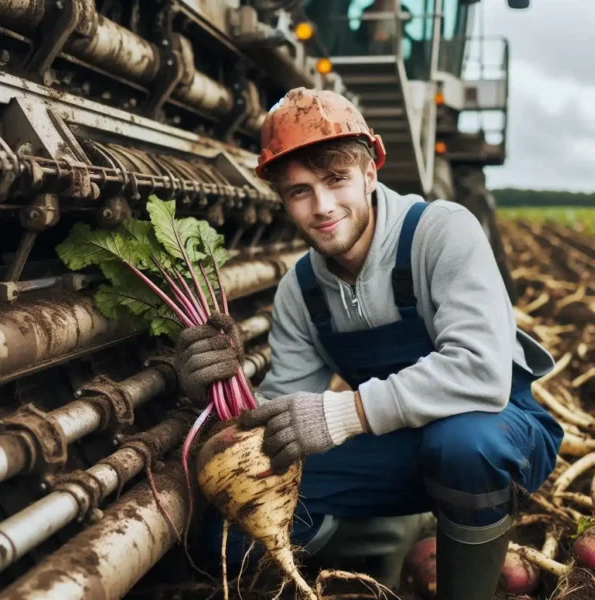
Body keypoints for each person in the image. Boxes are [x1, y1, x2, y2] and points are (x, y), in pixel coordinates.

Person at [175, 88, 563, 599]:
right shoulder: (302, 291)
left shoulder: (440, 232)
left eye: (336, 180)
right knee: (229, 535)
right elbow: (276, 418)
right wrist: (216, 389)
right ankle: (390, 536)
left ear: (370, 174)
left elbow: (481, 373)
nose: (322, 206)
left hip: (501, 431)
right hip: (400, 445)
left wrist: (343, 414)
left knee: (463, 445)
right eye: (299, 191)